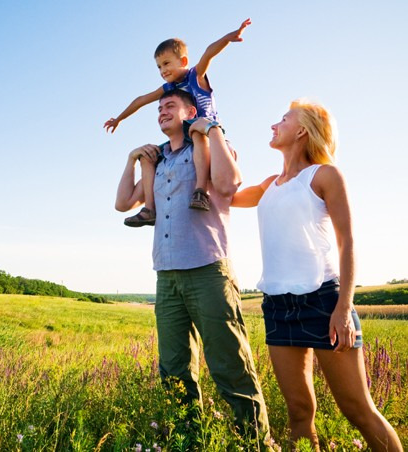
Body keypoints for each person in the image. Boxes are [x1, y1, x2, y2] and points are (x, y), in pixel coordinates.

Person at [231, 99, 403, 451]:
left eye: (282, 119)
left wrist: (343, 308)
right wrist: (211, 140)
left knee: (357, 409)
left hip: (324, 301)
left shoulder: (324, 175)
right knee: (298, 412)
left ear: (302, 131)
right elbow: (225, 196)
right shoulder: (269, 185)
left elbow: (347, 242)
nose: (273, 125)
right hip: (278, 306)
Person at [115, 89, 269, 442]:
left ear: (189, 111)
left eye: (169, 106)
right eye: (158, 109)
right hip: (166, 276)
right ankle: (188, 441)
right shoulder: (160, 161)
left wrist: (211, 129)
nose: (161, 112)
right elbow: (123, 202)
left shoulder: (209, 146)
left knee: (230, 365)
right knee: (173, 370)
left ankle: (254, 444)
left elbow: (230, 184)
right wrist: (131, 159)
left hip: (207, 270)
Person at [106, 19, 251, 225]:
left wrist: (229, 37)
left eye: (166, 64)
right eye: (158, 67)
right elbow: (141, 100)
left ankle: (200, 190)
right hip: (183, 138)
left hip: (205, 131)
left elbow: (208, 53)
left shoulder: (195, 76)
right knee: (148, 156)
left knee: (196, 132)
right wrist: (119, 118)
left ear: (182, 61)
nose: (162, 70)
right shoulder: (168, 88)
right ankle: (150, 209)